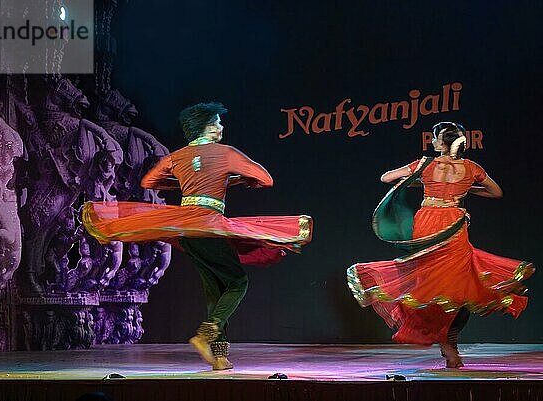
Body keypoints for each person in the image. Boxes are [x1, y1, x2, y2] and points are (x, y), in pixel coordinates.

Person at [83, 102, 312, 370]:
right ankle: (207, 333)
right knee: (238, 282)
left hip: (186, 229)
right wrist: (235, 179)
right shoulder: (226, 153)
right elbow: (265, 178)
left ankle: (219, 357)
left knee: (214, 289)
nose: (221, 126)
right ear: (208, 126)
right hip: (209, 224)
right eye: (217, 122)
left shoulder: (176, 157)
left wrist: (181, 182)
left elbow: (148, 182)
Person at [347, 122, 534, 368]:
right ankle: (449, 343)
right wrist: (468, 189)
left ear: (441, 142)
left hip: (427, 223)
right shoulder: (471, 168)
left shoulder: (426, 164)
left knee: (427, 283)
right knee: (457, 285)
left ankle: (445, 342)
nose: (432, 142)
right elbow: (496, 192)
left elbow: (386, 177)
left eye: (435, 139)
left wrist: (418, 181)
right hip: (454, 223)